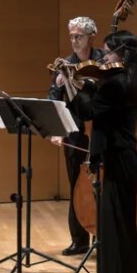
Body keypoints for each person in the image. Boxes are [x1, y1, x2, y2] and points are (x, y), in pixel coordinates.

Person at [69, 30, 137, 273]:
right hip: (116, 158)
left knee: (121, 231)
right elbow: (100, 96)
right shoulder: (124, 80)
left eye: (108, 53)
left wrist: (71, 85)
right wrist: (86, 83)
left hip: (119, 160)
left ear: (121, 55)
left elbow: (88, 112)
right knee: (110, 232)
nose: (104, 58)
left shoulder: (117, 85)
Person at [48, 17, 105, 256]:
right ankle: (79, 239)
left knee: (102, 184)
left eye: (78, 36)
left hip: (102, 128)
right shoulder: (65, 64)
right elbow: (53, 96)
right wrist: (55, 130)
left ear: (91, 36)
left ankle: (104, 235)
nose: (74, 40)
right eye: (71, 36)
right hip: (74, 130)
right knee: (76, 185)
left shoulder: (104, 60)